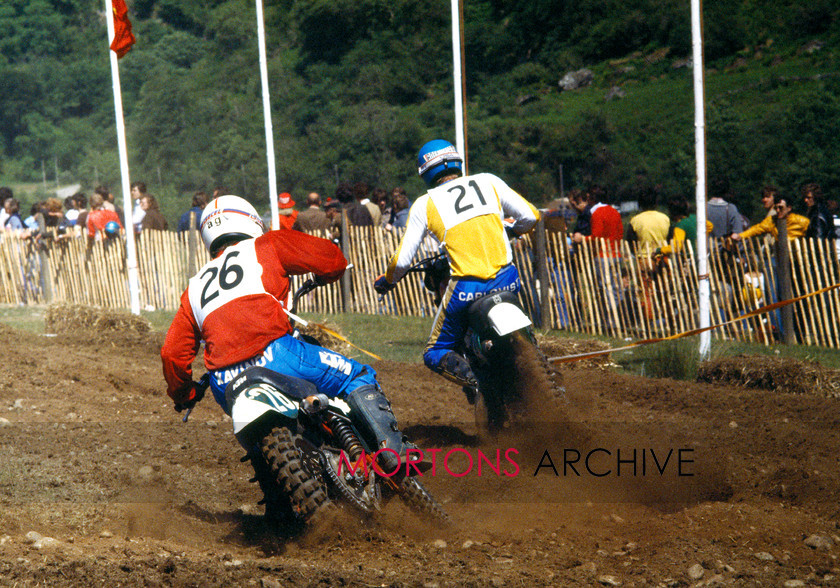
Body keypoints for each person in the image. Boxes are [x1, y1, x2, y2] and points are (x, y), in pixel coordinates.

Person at [160, 195, 420, 507]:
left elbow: (172, 354)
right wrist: (326, 275)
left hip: (224, 382)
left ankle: (279, 506)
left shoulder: (194, 288)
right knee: (357, 374)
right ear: (250, 220)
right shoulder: (267, 245)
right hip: (277, 353)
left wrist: (184, 395)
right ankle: (393, 454)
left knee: (256, 446)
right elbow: (332, 258)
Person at [373, 139, 539, 389]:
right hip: (508, 279)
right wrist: (512, 232)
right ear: (457, 161)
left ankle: (477, 384)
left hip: (467, 288)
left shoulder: (425, 204)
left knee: (434, 350)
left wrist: (387, 280)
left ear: (425, 172)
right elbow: (531, 216)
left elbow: (402, 260)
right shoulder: (489, 181)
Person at [732, 193, 809, 242]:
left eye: (781, 208)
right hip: (780, 256)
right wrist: (741, 236)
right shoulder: (772, 220)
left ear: (789, 208)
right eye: (776, 208)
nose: (778, 210)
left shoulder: (802, 221)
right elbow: (757, 228)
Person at [624, 183, 670, 249]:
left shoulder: (635, 221)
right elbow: (670, 240)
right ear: (656, 202)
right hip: (662, 256)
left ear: (640, 203)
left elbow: (630, 243)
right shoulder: (665, 219)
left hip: (643, 257)